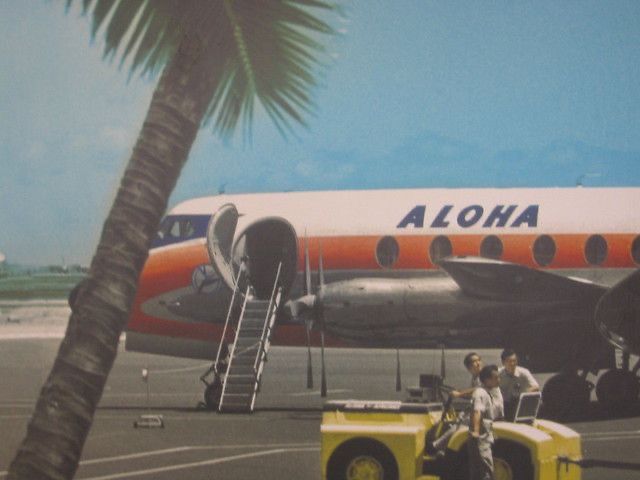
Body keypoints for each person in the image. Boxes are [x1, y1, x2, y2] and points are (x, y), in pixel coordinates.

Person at [469, 364, 501, 480]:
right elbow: (477, 412)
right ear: (487, 380)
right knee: (485, 470)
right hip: (481, 439)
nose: (498, 380)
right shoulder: (480, 393)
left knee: (480, 471)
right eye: (496, 378)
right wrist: (476, 432)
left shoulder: (487, 393)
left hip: (486, 437)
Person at [498, 348, 540, 420]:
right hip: (502, 404)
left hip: (518, 403)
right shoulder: (498, 373)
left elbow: (536, 387)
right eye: (509, 361)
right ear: (503, 362)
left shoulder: (523, 372)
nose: (512, 364)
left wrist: (522, 394)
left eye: (514, 361)